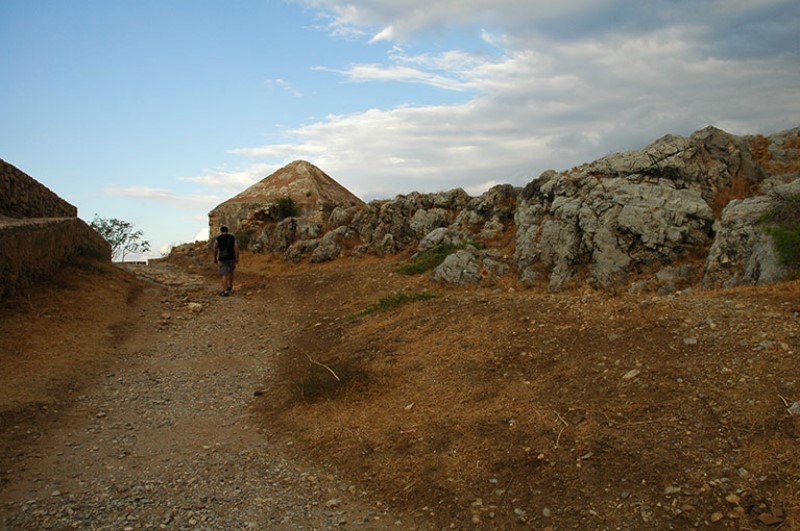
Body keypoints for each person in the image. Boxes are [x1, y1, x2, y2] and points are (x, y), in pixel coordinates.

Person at [213, 226, 239, 296]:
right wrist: (236, 257)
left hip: (222, 258)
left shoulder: (218, 238)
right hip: (231, 257)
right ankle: (230, 286)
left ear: (221, 231)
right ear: (227, 231)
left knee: (224, 274)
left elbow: (215, 249)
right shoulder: (232, 237)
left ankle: (225, 291)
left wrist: (215, 258)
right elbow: (236, 247)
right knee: (231, 272)